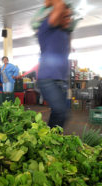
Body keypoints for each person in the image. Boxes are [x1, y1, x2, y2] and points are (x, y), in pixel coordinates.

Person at [36, 0, 73, 128]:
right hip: (47, 79)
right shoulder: (46, 27)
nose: (69, 19)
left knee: (60, 114)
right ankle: (49, 140)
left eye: (70, 16)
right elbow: (59, 5)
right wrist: (51, 3)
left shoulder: (64, 33)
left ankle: (50, 140)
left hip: (61, 81)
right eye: (66, 16)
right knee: (60, 112)